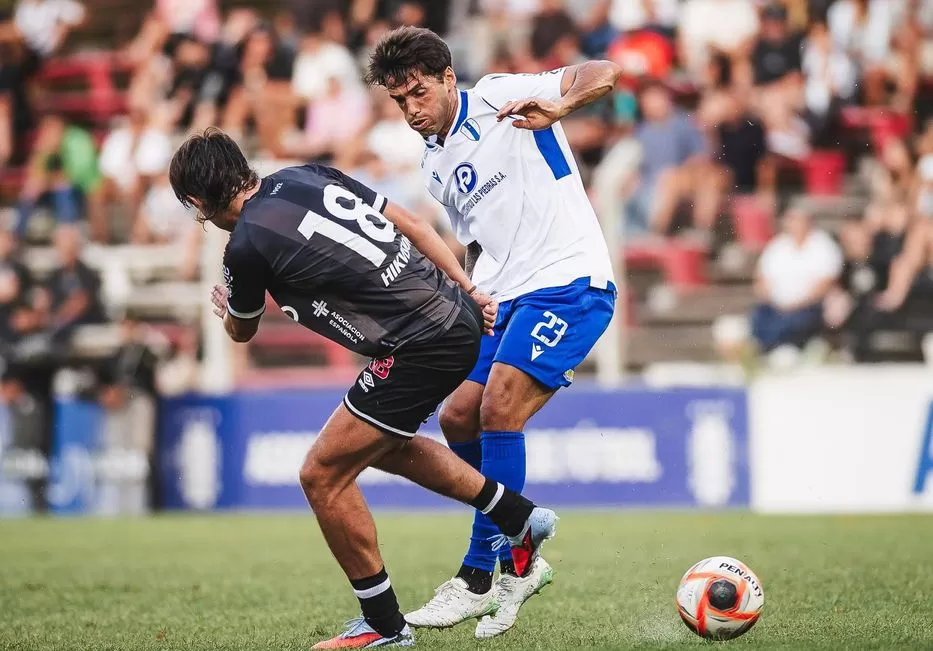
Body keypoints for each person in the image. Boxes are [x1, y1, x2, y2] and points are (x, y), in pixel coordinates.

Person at [168, 128, 558, 649]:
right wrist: (470, 291)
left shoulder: (245, 247)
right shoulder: (305, 174)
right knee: (382, 445)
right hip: (455, 317)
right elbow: (414, 222)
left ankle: (383, 624)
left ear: (196, 200)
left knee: (321, 474)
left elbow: (243, 329)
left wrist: (229, 307)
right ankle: (518, 517)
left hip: (417, 344)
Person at [365, 26, 618, 637]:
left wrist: (559, 104)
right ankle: (522, 551)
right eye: (399, 101)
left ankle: (483, 574)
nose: (411, 109)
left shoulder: (499, 95)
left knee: (500, 406)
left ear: (449, 78)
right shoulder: (433, 166)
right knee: (457, 417)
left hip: (569, 278)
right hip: (505, 294)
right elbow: (480, 239)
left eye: (419, 92)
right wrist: (466, 291)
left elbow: (603, 71)